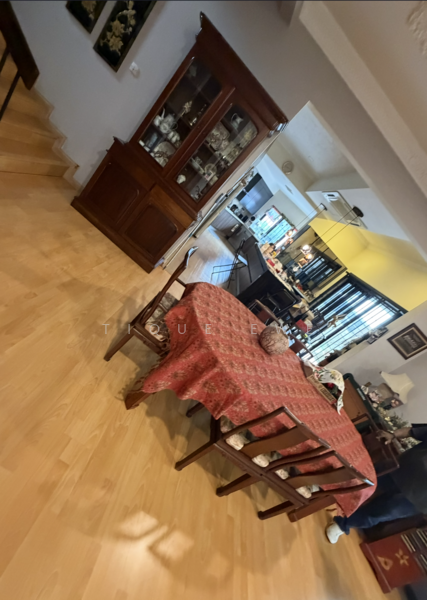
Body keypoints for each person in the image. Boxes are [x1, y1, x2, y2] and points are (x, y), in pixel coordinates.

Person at [326, 424, 427, 544]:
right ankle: (320, 488)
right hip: (400, 469)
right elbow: (413, 431)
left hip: (419, 499)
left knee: (378, 514)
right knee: (357, 480)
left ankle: (342, 525)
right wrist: (393, 435)